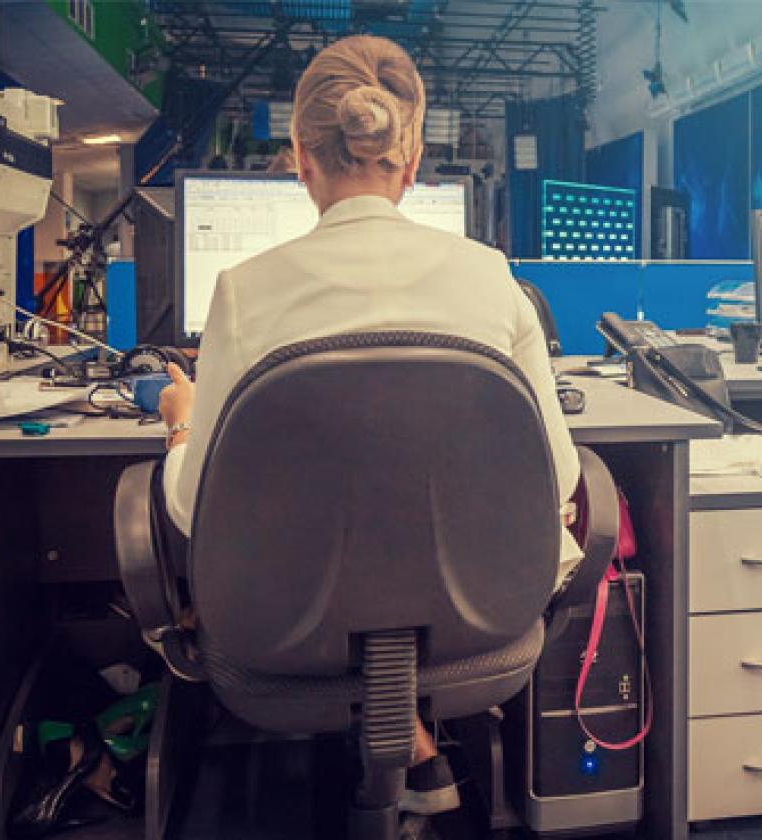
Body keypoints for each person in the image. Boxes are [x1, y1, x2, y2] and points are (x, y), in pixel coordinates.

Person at [159, 33, 581, 820]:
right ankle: (413, 738)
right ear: (412, 159)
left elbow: (193, 510)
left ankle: (398, 742)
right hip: (473, 622)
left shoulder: (244, 290)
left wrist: (180, 431)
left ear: (300, 158)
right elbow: (560, 482)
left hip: (286, 629)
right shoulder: (491, 277)